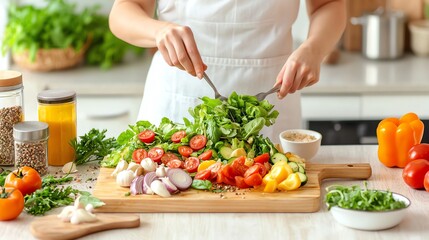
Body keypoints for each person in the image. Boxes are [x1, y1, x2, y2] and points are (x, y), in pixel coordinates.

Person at [109, 0, 346, 142]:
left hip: (272, 95)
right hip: (176, 96)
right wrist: (158, 31)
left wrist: (314, 49)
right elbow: (123, 10)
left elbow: (328, 4)